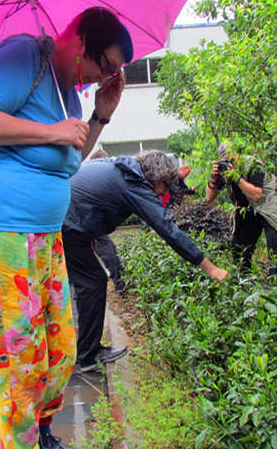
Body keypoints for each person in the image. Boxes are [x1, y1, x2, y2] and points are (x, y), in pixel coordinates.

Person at [0, 7, 132, 449]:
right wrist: (51, 132)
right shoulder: (25, 55)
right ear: (79, 37)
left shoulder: (67, 90)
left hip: (45, 234)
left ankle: (42, 438)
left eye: (115, 71)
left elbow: (70, 159)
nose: (106, 75)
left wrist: (99, 114)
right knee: (16, 346)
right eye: (106, 63)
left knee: (59, 342)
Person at [63, 150, 229, 372]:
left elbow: (92, 196)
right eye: (165, 186)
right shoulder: (135, 185)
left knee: (85, 281)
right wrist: (211, 268)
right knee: (92, 282)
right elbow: (168, 230)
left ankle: (79, 350)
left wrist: (88, 233)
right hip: (66, 224)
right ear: (156, 179)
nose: (164, 192)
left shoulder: (121, 168)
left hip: (63, 219)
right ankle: (87, 355)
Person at [206, 144, 277, 277]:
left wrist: (236, 177)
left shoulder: (252, 164)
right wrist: (213, 177)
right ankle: (244, 280)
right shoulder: (224, 169)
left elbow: (257, 195)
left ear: (237, 154)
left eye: (231, 157)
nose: (229, 161)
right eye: (225, 158)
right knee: (239, 245)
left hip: (271, 204)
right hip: (248, 209)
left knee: (274, 243)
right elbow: (209, 197)